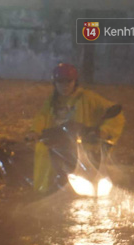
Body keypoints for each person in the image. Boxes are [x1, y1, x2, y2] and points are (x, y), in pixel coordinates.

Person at [28, 63, 125, 193]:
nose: (65, 85)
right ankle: (44, 189)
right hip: (59, 142)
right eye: (60, 82)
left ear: (75, 82)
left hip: (83, 143)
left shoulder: (88, 98)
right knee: (43, 151)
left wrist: (105, 131)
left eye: (69, 81)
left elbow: (115, 114)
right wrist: (34, 132)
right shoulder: (52, 101)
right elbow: (42, 117)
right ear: (55, 83)